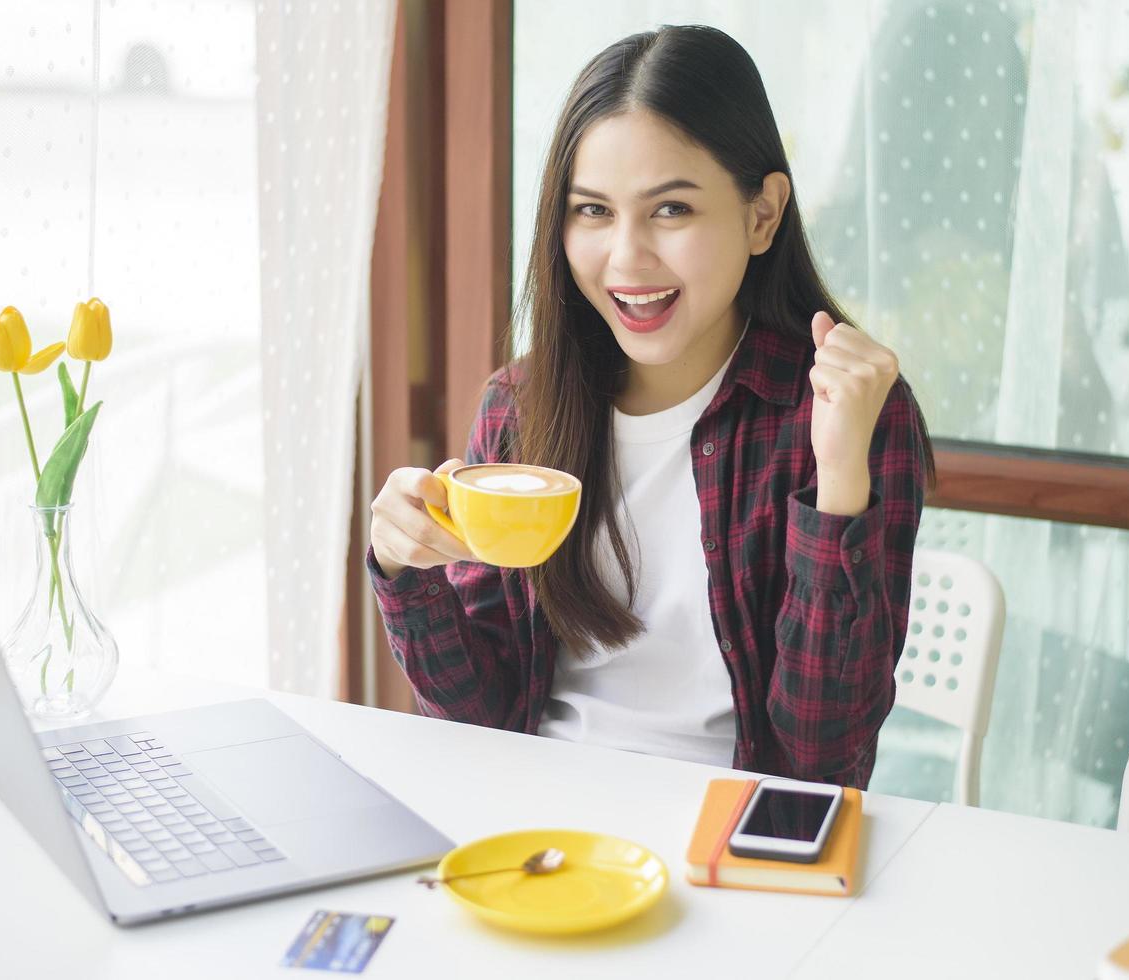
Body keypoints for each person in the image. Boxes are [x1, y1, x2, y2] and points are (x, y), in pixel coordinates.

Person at [366, 25, 932, 788]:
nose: (626, 258)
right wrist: (404, 568)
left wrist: (838, 480)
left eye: (670, 210)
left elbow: (823, 755)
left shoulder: (852, 413)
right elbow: (483, 719)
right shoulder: (520, 407)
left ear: (762, 215)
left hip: (729, 836)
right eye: (593, 211)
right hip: (542, 818)